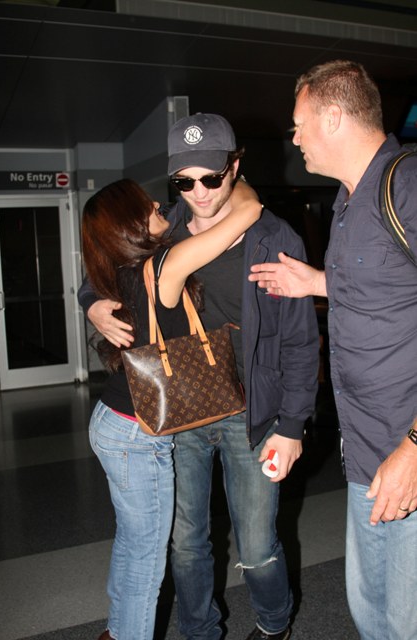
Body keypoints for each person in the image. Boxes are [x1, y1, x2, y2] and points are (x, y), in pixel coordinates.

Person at [79, 113, 320, 640]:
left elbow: (301, 342)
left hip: (252, 414)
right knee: (186, 543)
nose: (199, 193)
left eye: (211, 177)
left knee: (257, 546)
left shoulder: (274, 238)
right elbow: (107, 255)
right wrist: (92, 301)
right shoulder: (162, 227)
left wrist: (292, 425)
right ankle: (200, 631)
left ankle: (274, 622)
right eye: (184, 182)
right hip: (179, 410)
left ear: (234, 166)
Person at [249, 60, 417, 640]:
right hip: (366, 452)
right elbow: (389, 287)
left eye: (299, 124)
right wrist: (317, 282)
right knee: (371, 614)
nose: (293, 138)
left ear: (336, 118)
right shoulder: (347, 200)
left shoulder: (407, 185)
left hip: (407, 451)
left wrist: (415, 447)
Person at [81, 177, 261, 640]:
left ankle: (118, 631)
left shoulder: (120, 268)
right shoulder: (165, 264)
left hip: (114, 420)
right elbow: (248, 212)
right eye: (147, 206)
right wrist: (233, 179)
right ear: (131, 223)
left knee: (132, 541)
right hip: (137, 433)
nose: (159, 206)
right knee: (146, 559)